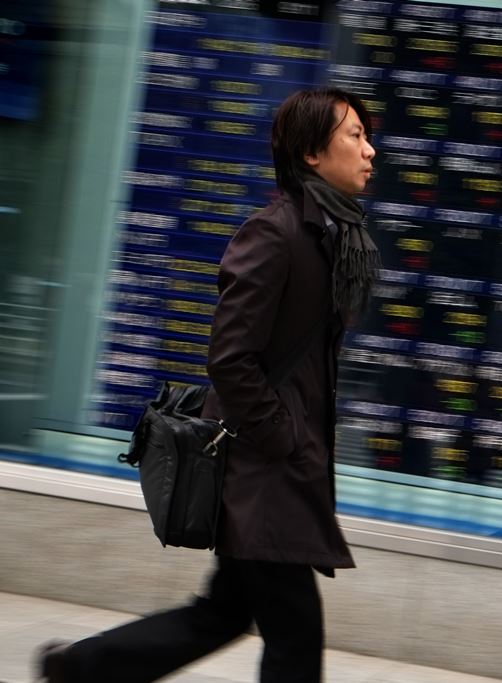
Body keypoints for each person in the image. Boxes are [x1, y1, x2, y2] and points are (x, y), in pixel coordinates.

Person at [36, 87, 380, 682]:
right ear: (311, 155)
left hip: (279, 470)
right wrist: (282, 438)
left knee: (222, 614)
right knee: (295, 636)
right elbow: (230, 357)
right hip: (264, 471)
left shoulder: (330, 236)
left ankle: (82, 669)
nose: (370, 151)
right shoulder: (275, 234)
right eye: (354, 136)